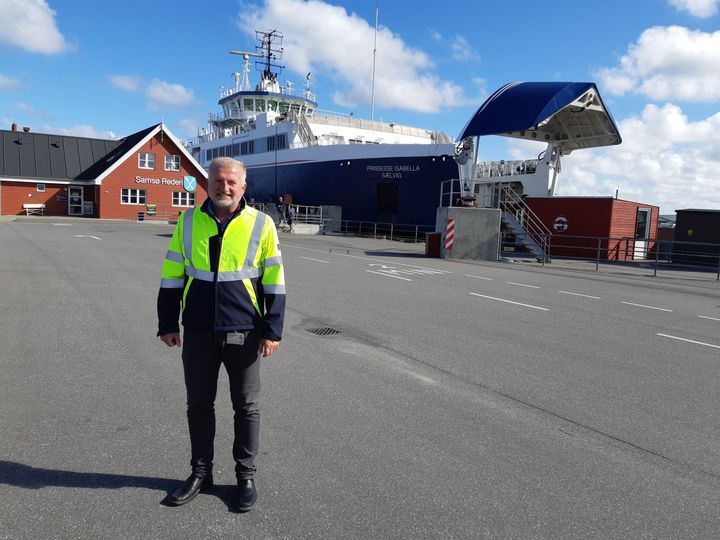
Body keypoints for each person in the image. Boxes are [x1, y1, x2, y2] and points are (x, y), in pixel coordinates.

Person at [157, 157, 286, 512]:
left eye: (231, 182)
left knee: (246, 407)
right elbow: (172, 275)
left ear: (243, 187)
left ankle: (245, 476)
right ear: (208, 183)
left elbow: (274, 280)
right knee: (198, 404)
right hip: (197, 330)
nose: (223, 187)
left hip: (244, 332)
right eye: (217, 181)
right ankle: (201, 473)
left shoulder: (262, 224)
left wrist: (272, 330)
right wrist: (167, 322)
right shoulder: (187, 222)